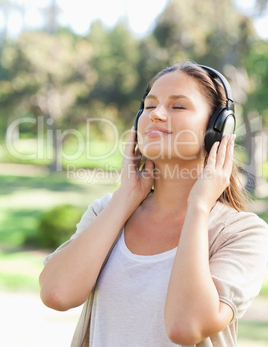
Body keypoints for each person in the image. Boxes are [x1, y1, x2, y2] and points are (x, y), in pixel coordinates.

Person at [39, 61, 268, 347]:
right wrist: (126, 197)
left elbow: (185, 327)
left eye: (178, 106)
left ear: (218, 128)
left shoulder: (242, 233)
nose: (157, 115)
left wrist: (198, 206)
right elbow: (57, 294)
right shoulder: (106, 211)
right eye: (149, 106)